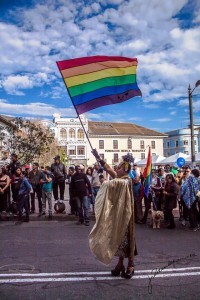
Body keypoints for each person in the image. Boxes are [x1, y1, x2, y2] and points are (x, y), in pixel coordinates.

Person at [89, 151, 137, 279]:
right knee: (118, 238)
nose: (117, 169)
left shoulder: (127, 180)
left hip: (127, 214)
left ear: (125, 169)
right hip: (118, 213)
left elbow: (114, 183)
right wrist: (98, 158)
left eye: (120, 167)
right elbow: (109, 169)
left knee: (129, 239)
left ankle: (131, 265)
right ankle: (120, 264)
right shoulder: (119, 178)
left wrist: (106, 182)